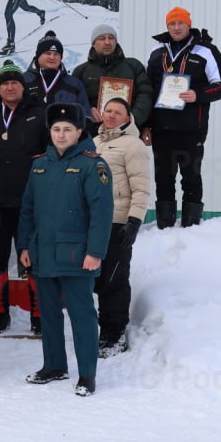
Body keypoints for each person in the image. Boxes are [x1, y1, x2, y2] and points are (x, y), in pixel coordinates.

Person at [19, 103, 112, 396]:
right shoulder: (40, 164)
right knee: (48, 314)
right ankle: (55, 365)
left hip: (77, 255)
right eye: (56, 129)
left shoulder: (92, 164)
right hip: (43, 253)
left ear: (79, 131)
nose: (61, 135)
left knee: (82, 315)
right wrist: (24, 245)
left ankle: (87, 375)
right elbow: (28, 209)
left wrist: (95, 252)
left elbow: (101, 213)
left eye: (67, 129)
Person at [0, 60, 48, 334]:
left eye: (14, 82)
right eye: (4, 83)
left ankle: (38, 315)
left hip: (30, 203)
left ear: (22, 86)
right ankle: (0, 314)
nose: (10, 87)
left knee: (32, 259)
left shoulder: (40, 115)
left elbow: (51, 153)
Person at [144, 7, 221, 228]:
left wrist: (198, 95)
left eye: (180, 23)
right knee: (163, 177)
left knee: (191, 176)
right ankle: (164, 225)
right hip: (161, 127)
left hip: (192, 127)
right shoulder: (157, 51)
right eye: (172, 24)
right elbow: (146, 91)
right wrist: (145, 126)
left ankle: (191, 227)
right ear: (167, 26)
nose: (176, 27)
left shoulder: (205, 51)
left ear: (188, 24)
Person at [91, 98, 152, 356]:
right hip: (94, 222)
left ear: (128, 118)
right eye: (108, 111)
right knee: (97, 278)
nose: (112, 116)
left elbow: (141, 186)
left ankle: (114, 334)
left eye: (118, 112)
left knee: (114, 279)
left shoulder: (133, 145)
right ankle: (102, 329)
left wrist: (134, 221)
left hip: (119, 222)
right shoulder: (93, 143)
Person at [72, 24, 154, 137]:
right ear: (93, 43)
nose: (107, 42)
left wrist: (132, 119)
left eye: (111, 38)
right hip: (92, 133)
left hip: (128, 132)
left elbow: (146, 95)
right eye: (101, 38)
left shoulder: (133, 66)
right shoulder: (81, 71)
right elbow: (73, 100)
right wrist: (87, 110)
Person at [24, 32, 90, 116]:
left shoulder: (75, 84)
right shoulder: (21, 81)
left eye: (56, 54)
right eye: (47, 53)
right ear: (38, 56)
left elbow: (85, 118)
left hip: (64, 129)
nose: (52, 57)